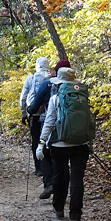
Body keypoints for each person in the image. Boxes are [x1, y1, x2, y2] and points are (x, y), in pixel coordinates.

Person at [37, 66, 93, 221]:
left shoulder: (55, 99)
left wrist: (41, 143)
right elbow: (89, 122)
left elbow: (49, 122)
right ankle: (75, 216)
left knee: (60, 177)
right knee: (77, 180)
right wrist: (90, 142)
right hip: (80, 144)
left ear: (59, 82)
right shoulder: (83, 97)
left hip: (59, 144)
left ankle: (59, 208)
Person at [27, 58, 70, 200]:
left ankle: (49, 183)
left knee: (45, 153)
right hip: (70, 127)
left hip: (50, 124)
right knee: (63, 159)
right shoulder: (77, 87)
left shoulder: (48, 84)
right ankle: (63, 187)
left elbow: (34, 105)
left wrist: (28, 110)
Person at [19, 57, 52, 176]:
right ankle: (48, 166)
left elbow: (23, 97)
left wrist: (24, 114)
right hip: (48, 114)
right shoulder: (52, 78)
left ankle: (39, 168)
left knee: (36, 140)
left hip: (34, 113)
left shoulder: (30, 78)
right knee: (47, 139)